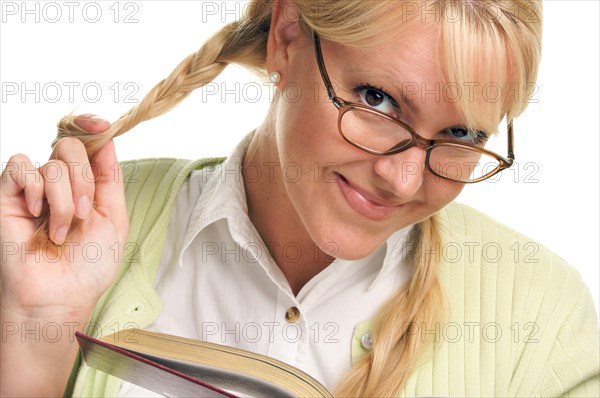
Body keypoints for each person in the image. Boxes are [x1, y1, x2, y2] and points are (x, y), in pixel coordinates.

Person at [1, 0, 598, 397]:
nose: (405, 180)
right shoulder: (61, 235)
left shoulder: (542, 320)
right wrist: (33, 326)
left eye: (463, 134)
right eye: (379, 99)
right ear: (288, 38)